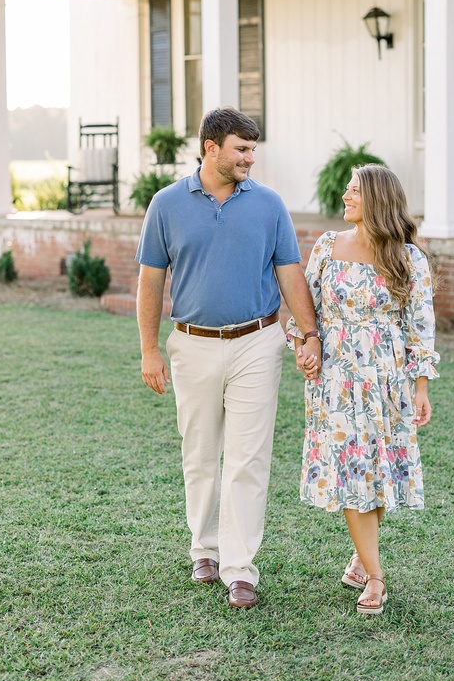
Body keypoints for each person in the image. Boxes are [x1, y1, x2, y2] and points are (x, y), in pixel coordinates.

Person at [135, 107, 320, 609]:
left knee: (248, 459)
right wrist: (150, 348)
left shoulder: (269, 205)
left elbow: (289, 271)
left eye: (253, 149)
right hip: (191, 344)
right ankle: (205, 550)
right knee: (199, 455)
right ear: (211, 147)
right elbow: (151, 279)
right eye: (242, 149)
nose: (250, 158)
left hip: (257, 343)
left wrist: (310, 333)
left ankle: (240, 570)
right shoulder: (166, 204)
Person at [288, 164, 439, 615]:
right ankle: (376, 577)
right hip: (336, 378)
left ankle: (362, 558)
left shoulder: (409, 258)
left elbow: (421, 327)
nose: (345, 194)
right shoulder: (328, 246)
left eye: (354, 190)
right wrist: (302, 344)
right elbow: (304, 306)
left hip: (387, 378)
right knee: (353, 471)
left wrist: (421, 388)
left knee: (376, 468)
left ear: (375, 199)